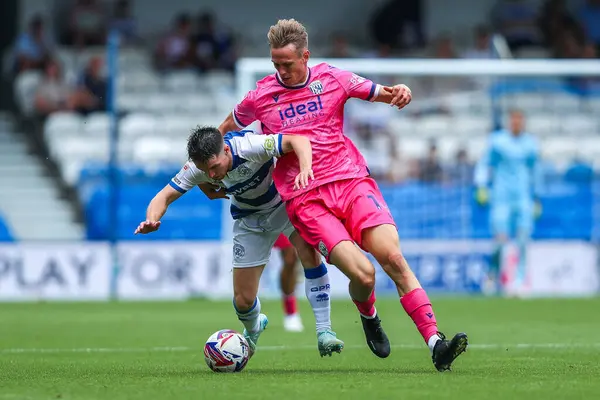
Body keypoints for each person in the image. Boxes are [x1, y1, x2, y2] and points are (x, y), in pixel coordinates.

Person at [217, 19, 468, 372]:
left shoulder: (332, 78)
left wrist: (399, 92)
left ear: (306, 56)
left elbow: (382, 92)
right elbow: (225, 129)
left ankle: (435, 342)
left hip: (351, 181)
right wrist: (204, 161)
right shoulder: (259, 95)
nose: (281, 71)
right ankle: (369, 313)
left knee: (392, 258)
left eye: (287, 64)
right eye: (275, 64)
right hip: (306, 200)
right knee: (364, 276)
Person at [134, 126, 343, 358]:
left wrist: (305, 170)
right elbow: (163, 196)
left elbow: (298, 140)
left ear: (225, 150)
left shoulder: (250, 146)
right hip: (250, 219)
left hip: (284, 205)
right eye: (206, 170)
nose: (212, 175)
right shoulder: (198, 168)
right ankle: (254, 327)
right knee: (243, 301)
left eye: (214, 167)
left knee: (307, 254)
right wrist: (151, 220)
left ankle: (324, 330)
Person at [475, 110, 542, 296]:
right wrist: (481, 186)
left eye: (520, 119)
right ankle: (492, 275)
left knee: (522, 239)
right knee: (500, 240)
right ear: (509, 121)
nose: (516, 123)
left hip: (523, 197)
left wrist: (537, 196)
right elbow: (484, 163)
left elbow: (535, 170)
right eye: (513, 119)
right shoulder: (497, 141)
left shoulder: (530, 144)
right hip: (501, 197)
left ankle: (520, 282)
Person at [273, 233, 304, 332]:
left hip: (293, 218)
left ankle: (291, 312)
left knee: (291, 257)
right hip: (268, 218)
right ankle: (250, 312)